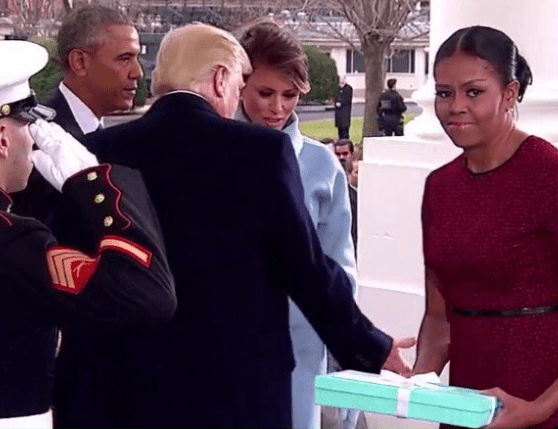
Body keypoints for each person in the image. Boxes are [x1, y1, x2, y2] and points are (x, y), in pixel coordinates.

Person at [68, 23, 410, 428]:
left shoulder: (99, 150)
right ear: (219, 77)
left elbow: (80, 276)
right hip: (238, 391)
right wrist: (372, 345)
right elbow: (307, 269)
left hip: (129, 388)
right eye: (241, 84)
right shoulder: (263, 153)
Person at [413, 26, 558, 429]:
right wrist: (417, 385)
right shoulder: (440, 188)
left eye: (474, 91)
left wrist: (540, 407)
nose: (455, 106)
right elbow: (439, 317)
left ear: (510, 94)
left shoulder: (557, 181)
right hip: (471, 407)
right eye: (444, 93)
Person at [0, 40, 174, 428]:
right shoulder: (14, 242)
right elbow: (147, 295)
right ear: (2, 139)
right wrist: (95, 185)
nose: (32, 142)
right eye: (30, 127)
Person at [235, 20, 357, 428]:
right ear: (238, 84)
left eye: (290, 96)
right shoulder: (210, 155)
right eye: (265, 93)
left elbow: (339, 267)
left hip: (300, 344)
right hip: (221, 337)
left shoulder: (323, 165)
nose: (278, 108)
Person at [10, 4, 143, 228]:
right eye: (124, 58)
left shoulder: (120, 139)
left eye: (136, 58)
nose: (137, 72)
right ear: (80, 62)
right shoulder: (33, 141)